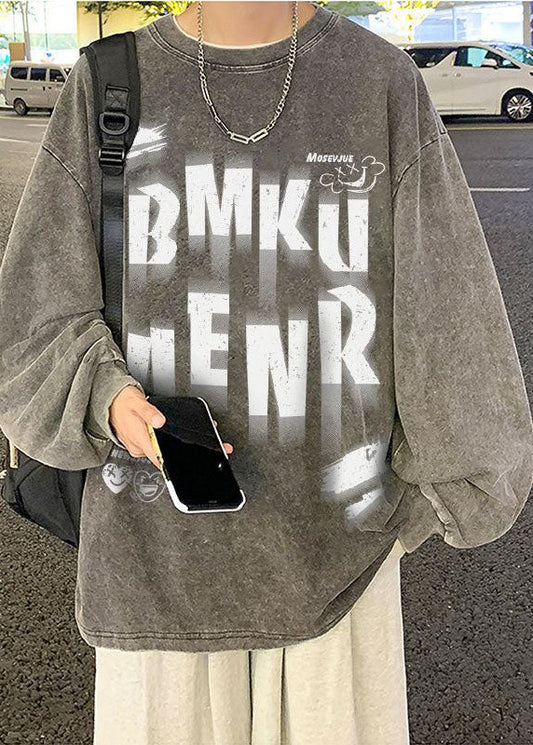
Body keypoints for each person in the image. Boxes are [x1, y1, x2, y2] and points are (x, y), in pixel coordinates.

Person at [0, 2, 531, 744]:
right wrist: (108, 399)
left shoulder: (376, 82)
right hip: (154, 564)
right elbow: (33, 317)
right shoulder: (109, 82)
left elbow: (444, 309)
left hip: (336, 562)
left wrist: (449, 482)